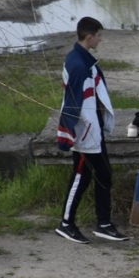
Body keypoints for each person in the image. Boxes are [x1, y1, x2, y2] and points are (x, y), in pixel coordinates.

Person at [56, 17, 131, 244]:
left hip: (93, 130)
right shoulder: (78, 65)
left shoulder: (82, 59)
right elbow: (72, 103)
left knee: (104, 174)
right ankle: (66, 224)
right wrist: (68, 135)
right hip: (85, 134)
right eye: (99, 35)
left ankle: (104, 223)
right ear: (90, 37)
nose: (101, 39)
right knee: (81, 176)